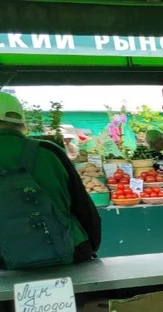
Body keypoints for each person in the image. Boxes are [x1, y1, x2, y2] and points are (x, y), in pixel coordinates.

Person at [0, 92, 100, 268]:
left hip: (7, 261)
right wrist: (90, 246)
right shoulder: (49, 152)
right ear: (21, 123)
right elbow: (84, 208)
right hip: (69, 252)